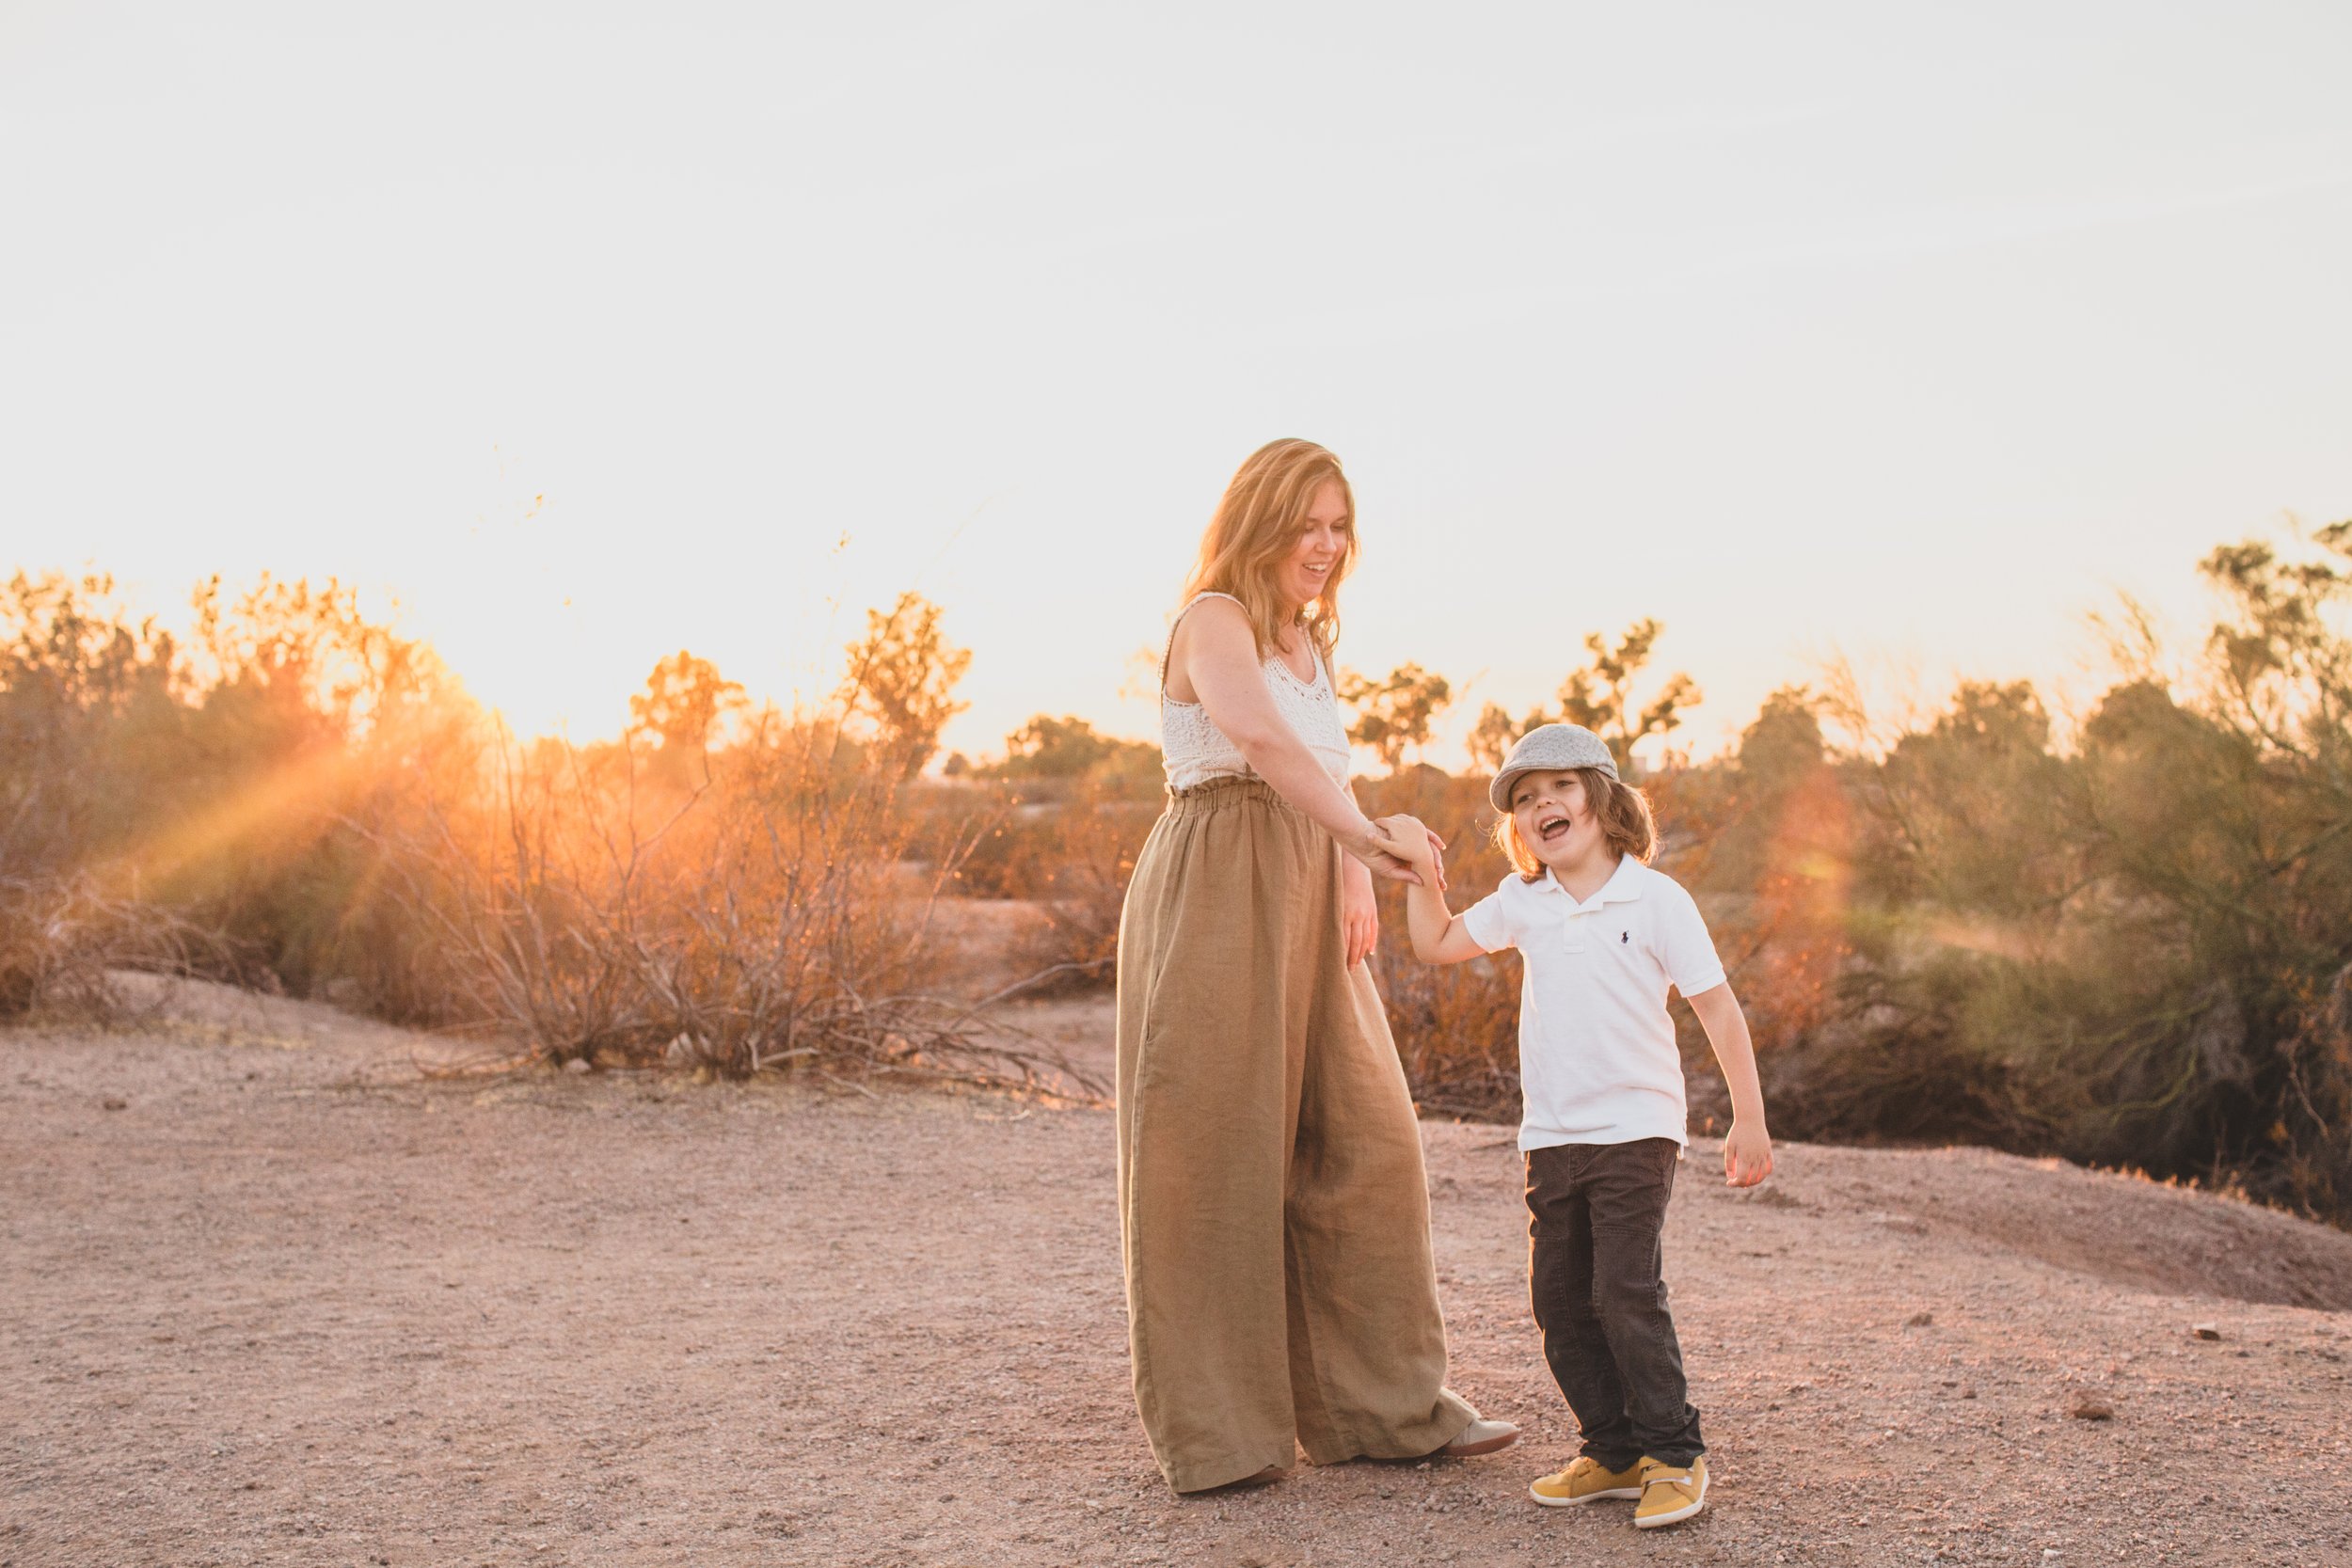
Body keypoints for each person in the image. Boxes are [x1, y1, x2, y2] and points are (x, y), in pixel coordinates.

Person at [1114, 438, 1517, 1496]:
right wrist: (1366, 834)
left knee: (1368, 1139)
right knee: (1211, 1155)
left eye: (1339, 525)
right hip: (1217, 877)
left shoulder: (1307, 639)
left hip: (1308, 877)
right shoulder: (1215, 618)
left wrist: (1350, 863)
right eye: (1307, 523)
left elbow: (1322, 762)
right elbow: (1256, 740)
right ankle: (1222, 1434)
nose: (1327, 545)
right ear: (1260, 521)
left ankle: (1381, 1407)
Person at [1377, 721, 1772, 1530]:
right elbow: (1437, 941)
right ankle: (1615, 1450)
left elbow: (1718, 1010)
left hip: (1637, 1126)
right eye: (1524, 798)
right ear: (1517, 826)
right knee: (1559, 1298)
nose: (1540, 804)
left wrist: (1749, 1119)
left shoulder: (1658, 898)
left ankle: (1674, 1453)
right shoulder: (1526, 900)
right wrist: (1422, 867)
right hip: (1552, 1134)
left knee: (1624, 1290)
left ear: (1602, 796)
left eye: (1557, 786)